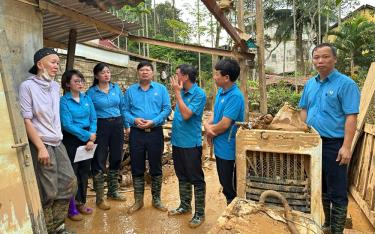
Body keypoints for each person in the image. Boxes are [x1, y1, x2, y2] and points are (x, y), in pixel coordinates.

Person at [298, 43, 360, 234]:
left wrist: (347, 146)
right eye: (316, 57)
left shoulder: (346, 84)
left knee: (338, 190)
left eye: (325, 57)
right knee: (320, 186)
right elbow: (304, 109)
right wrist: (302, 134)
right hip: (312, 143)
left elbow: (351, 116)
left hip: (334, 144)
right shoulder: (310, 84)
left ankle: (337, 230)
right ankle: (327, 225)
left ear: (334, 59)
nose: (320, 61)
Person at [19, 48, 76, 233]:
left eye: (58, 63)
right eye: (53, 62)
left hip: (57, 142)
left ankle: (57, 226)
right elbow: (26, 120)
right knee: (48, 191)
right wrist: (40, 147)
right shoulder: (27, 86)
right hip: (41, 144)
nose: (56, 67)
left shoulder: (54, 86)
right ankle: (47, 229)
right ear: (39, 64)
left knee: (69, 183)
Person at [124, 61, 171, 214]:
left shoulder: (161, 89)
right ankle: (138, 201)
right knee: (137, 166)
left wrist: (154, 121)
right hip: (136, 134)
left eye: (147, 70)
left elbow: (166, 109)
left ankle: (156, 199)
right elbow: (124, 110)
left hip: (155, 132)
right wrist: (134, 120)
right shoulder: (130, 91)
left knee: (156, 165)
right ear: (138, 73)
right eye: (142, 70)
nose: (145, 72)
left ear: (152, 73)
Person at [168, 64, 207, 228]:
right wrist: (178, 93)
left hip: (191, 143)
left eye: (177, 74)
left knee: (196, 178)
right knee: (182, 175)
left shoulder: (199, 94)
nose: (174, 77)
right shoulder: (183, 92)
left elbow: (186, 115)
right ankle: (185, 206)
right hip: (177, 142)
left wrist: (177, 93)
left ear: (184, 77)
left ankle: (200, 213)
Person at [87, 62, 128, 210]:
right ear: (96, 75)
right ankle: (100, 198)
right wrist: (91, 131)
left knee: (117, 156)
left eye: (108, 72)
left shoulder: (116, 89)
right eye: (103, 72)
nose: (106, 75)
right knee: (99, 158)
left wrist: (126, 125)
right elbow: (90, 113)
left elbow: (122, 107)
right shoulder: (91, 92)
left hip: (117, 125)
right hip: (101, 126)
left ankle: (113, 191)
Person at [204, 58, 245, 205]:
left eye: (216, 74)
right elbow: (216, 115)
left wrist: (208, 132)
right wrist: (207, 123)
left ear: (226, 77)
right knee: (223, 178)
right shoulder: (221, 92)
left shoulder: (235, 96)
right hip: (220, 145)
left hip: (229, 147)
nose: (214, 77)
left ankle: (233, 207)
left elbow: (224, 124)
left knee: (229, 182)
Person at [60, 69, 97, 221]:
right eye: (76, 81)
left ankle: (81, 202)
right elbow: (67, 124)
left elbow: (93, 118)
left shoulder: (87, 98)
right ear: (68, 84)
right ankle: (71, 207)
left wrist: (91, 137)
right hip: (72, 140)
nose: (80, 84)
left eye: (81, 81)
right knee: (72, 174)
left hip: (89, 140)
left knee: (84, 172)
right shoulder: (64, 101)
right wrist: (87, 135)